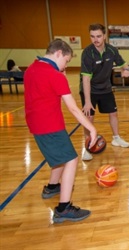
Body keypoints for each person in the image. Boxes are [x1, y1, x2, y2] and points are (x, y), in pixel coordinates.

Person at [24, 39, 97, 223]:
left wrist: (60, 73)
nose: (66, 65)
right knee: (71, 159)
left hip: (37, 124)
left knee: (60, 158)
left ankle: (52, 187)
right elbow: (73, 108)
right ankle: (64, 208)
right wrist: (91, 128)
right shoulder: (54, 76)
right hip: (49, 126)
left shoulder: (31, 68)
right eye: (66, 61)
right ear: (58, 54)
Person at [80, 23, 129, 161]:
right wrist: (88, 101)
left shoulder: (112, 50)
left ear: (104, 36)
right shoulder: (87, 53)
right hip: (89, 89)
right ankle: (87, 146)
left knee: (113, 113)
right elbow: (85, 78)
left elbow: (123, 63)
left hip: (106, 88)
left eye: (98, 36)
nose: (95, 39)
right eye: (92, 36)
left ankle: (116, 138)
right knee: (88, 117)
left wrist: (125, 70)